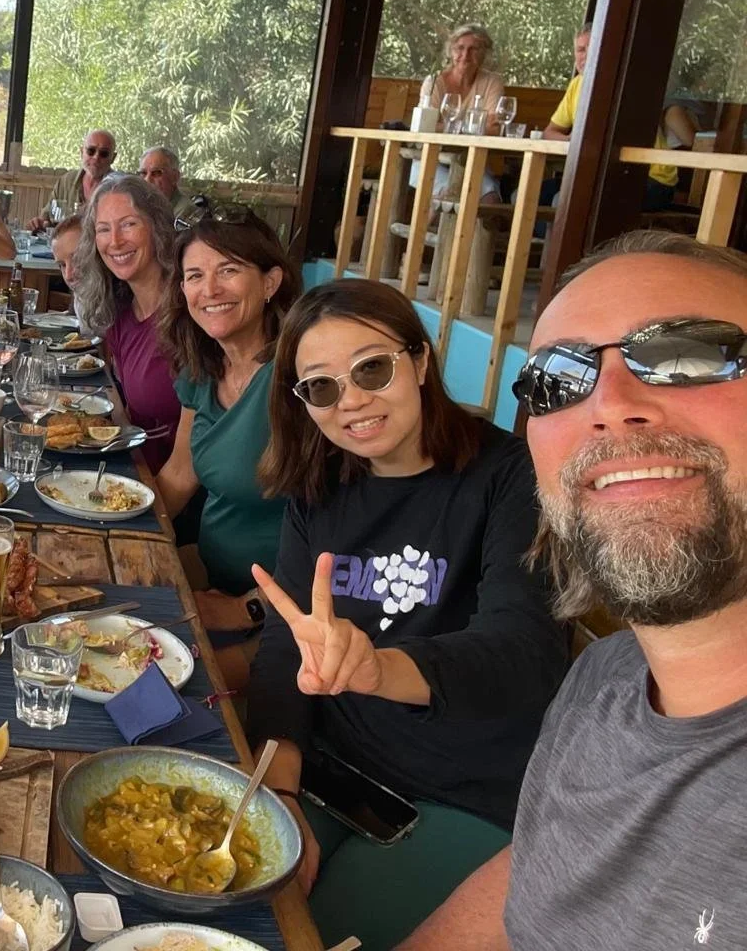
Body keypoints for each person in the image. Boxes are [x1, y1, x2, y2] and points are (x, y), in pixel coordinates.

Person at [400, 232, 747, 951]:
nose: (610, 404)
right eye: (557, 380)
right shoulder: (605, 677)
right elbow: (536, 875)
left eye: (687, 354)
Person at [246, 277, 567, 950]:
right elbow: (285, 647)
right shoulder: (320, 487)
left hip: (462, 789)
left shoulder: (511, 476)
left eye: (372, 369)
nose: (351, 401)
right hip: (336, 765)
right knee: (233, 893)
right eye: (322, 387)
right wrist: (281, 791)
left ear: (419, 360)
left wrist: (379, 668)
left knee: (306, 932)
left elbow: (526, 651)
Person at [154, 206, 299, 686]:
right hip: (212, 579)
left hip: (280, 618)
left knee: (156, 689)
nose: (210, 290)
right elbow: (179, 475)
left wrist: (246, 609)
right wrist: (106, 525)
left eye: (229, 270)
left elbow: (338, 533)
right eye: (195, 276)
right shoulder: (204, 367)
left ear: (271, 282)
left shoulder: (297, 378)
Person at [71, 175, 181, 471]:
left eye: (129, 224)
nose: (115, 241)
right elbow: (127, 418)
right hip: (132, 469)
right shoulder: (121, 314)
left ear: (157, 227)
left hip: (171, 487)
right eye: (103, 229)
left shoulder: (187, 313)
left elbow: (193, 458)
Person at [543, 22, 685, 210]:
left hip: (651, 177)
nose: (585, 56)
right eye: (580, 50)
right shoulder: (577, 84)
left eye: (592, 49)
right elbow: (550, 132)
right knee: (527, 195)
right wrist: (570, 139)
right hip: (601, 174)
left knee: (562, 201)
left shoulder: (624, 82)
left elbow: (612, 138)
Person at [420, 22, 506, 201]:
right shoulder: (434, 82)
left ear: (484, 54)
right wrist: (475, 126)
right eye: (460, 48)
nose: (465, 55)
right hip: (429, 159)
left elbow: (495, 129)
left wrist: (446, 126)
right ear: (451, 51)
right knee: (448, 196)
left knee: (490, 198)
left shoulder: (492, 82)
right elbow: (426, 126)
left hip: (471, 162)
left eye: (473, 49)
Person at [29, 129, 118, 232]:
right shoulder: (66, 181)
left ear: (113, 158)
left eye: (104, 153)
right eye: (91, 151)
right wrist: (38, 223)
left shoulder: (119, 187)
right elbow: (47, 218)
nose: (96, 157)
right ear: (82, 152)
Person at [140, 145, 197, 220]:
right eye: (143, 173)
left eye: (156, 173)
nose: (147, 180)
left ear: (175, 177)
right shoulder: (139, 206)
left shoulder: (186, 212)